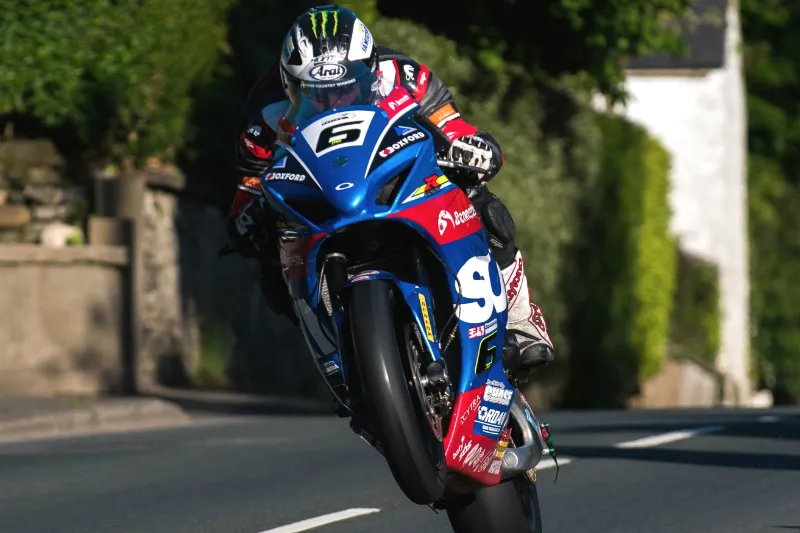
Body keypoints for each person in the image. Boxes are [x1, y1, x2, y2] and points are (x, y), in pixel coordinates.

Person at [226, 5, 555, 383]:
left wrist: (474, 149)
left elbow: (455, 126)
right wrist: (247, 216)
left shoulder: (405, 77)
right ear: (290, 84)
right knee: (270, 263)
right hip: (319, 206)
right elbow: (247, 186)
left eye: (346, 88)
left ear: (370, 70)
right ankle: (337, 360)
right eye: (314, 93)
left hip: (395, 185)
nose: (333, 102)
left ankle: (521, 319)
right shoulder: (263, 117)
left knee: (478, 197)